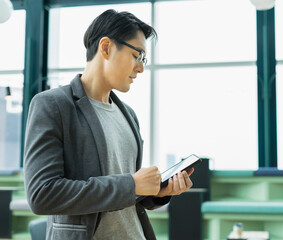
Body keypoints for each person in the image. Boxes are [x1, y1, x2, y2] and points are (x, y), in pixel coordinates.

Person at [24, 9, 194, 240]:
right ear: (106, 47)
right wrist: (131, 184)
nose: (141, 68)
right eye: (137, 56)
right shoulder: (53, 105)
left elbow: (124, 194)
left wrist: (157, 192)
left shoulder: (129, 115)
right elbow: (43, 195)